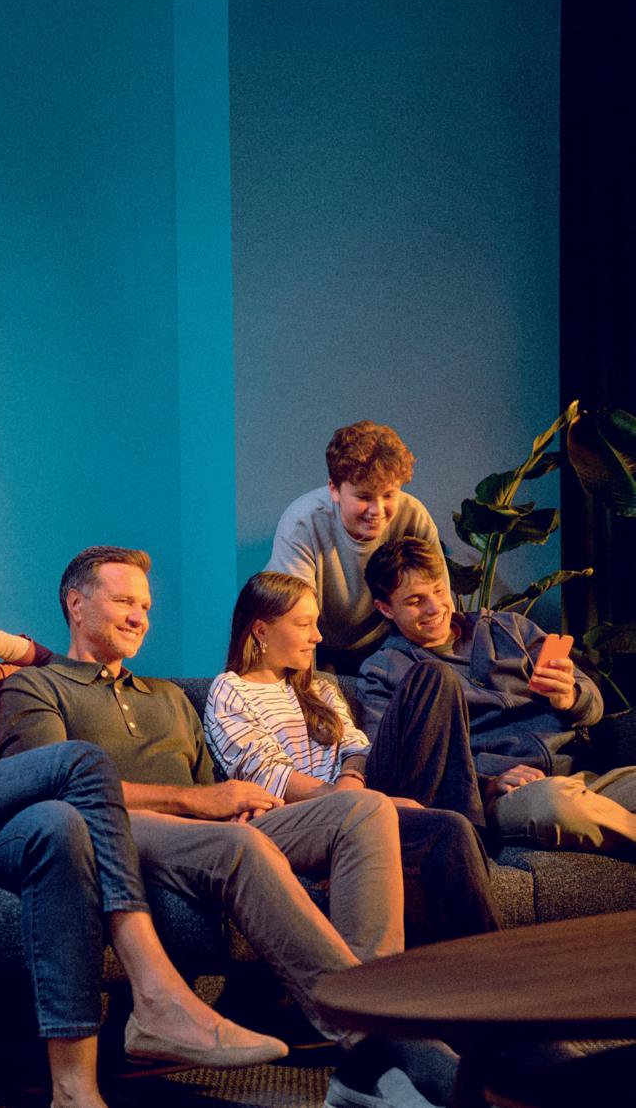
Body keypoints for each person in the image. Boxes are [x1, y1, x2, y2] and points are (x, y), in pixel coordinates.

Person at [0, 546, 286, 1108]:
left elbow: (49, 661)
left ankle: (73, 1089)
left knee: (58, 822)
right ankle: (157, 992)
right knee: (81, 760)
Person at [0, 544, 409, 1056]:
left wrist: (238, 803)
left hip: (208, 831)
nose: (139, 617)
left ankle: (378, 1003)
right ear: (76, 605)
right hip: (116, 829)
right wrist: (199, 804)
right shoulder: (35, 687)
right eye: (124, 602)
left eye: (145, 606)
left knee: (364, 810)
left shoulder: (168, 697)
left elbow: (211, 787)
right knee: (238, 845)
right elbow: (47, 789)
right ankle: (373, 1040)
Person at [203, 572, 502, 1108]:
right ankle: (500, 1014)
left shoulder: (319, 688)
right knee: (448, 831)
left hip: (358, 800)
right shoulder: (231, 690)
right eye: (304, 624)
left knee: (433, 678)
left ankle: (489, 1010)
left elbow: (356, 747)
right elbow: (267, 776)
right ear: (261, 631)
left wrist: (355, 786)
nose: (318, 636)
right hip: (309, 819)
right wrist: (352, 801)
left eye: (316, 623)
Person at [356, 536, 636, 853]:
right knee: (558, 806)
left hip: (583, 777)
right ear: (386, 608)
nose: (435, 607)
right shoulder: (384, 672)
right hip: (509, 796)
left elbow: (594, 707)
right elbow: (396, 767)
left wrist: (569, 697)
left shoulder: (510, 627)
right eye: (415, 601)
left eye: (438, 590)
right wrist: (486, 783)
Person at [267, 420, 447, 674]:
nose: (377, 510)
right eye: (364, 497)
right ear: (334, 489)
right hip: (317, 644)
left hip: (385, 645)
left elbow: (440, 600)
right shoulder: (302, 523)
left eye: (388, 495)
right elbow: (294, 621)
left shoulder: (414, 516)